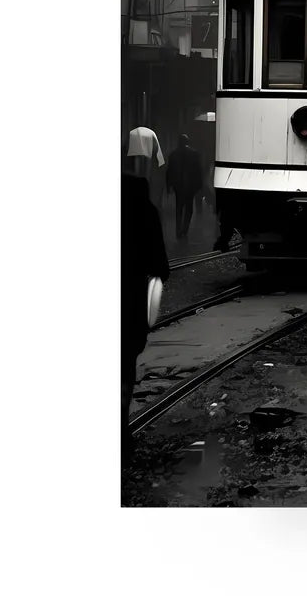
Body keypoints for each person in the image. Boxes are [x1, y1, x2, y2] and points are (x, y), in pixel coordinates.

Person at [122, 161, 169, 461]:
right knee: (124, 366)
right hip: (128, 302)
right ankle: (120, 434)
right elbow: (160, 266)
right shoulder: (142, 205)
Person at [166, 133, 204, 241]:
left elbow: (169, 171)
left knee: (179, 208)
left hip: (178, 186)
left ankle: (178, 230)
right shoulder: (194, 154)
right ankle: (184, 230)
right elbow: (198, 171)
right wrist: (199, 185)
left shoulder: (173, 154)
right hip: (190, 186)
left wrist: (169, 185)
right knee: (189, 209)